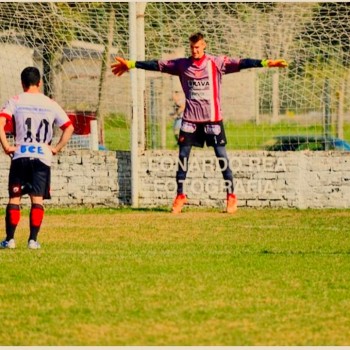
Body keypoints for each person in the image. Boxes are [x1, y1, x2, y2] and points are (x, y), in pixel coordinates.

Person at [111, 32, 287, 214]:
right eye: (192, 47)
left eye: (198, 47)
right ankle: (180, 195)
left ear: (204, 46)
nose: (195, 50)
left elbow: (242, 63)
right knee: (183, 158)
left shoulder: (216, 63)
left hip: (213, 119)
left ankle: (231, 196)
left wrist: (266, 63)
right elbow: (157, 65)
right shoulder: (181, 65)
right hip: (190, 120)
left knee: (222, 157)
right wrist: (131, 64)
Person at [0, 66, 74, 249]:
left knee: (14, 198)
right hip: (42, 157)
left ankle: (9, 240)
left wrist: (7, 146)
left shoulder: (15, 100)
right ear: (40, 83)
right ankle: (33, 240)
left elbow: (0, 123)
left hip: (21, 155)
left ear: (22, 83)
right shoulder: (50, 103)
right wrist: (56, 148)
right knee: (37, 199)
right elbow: (69, 127)